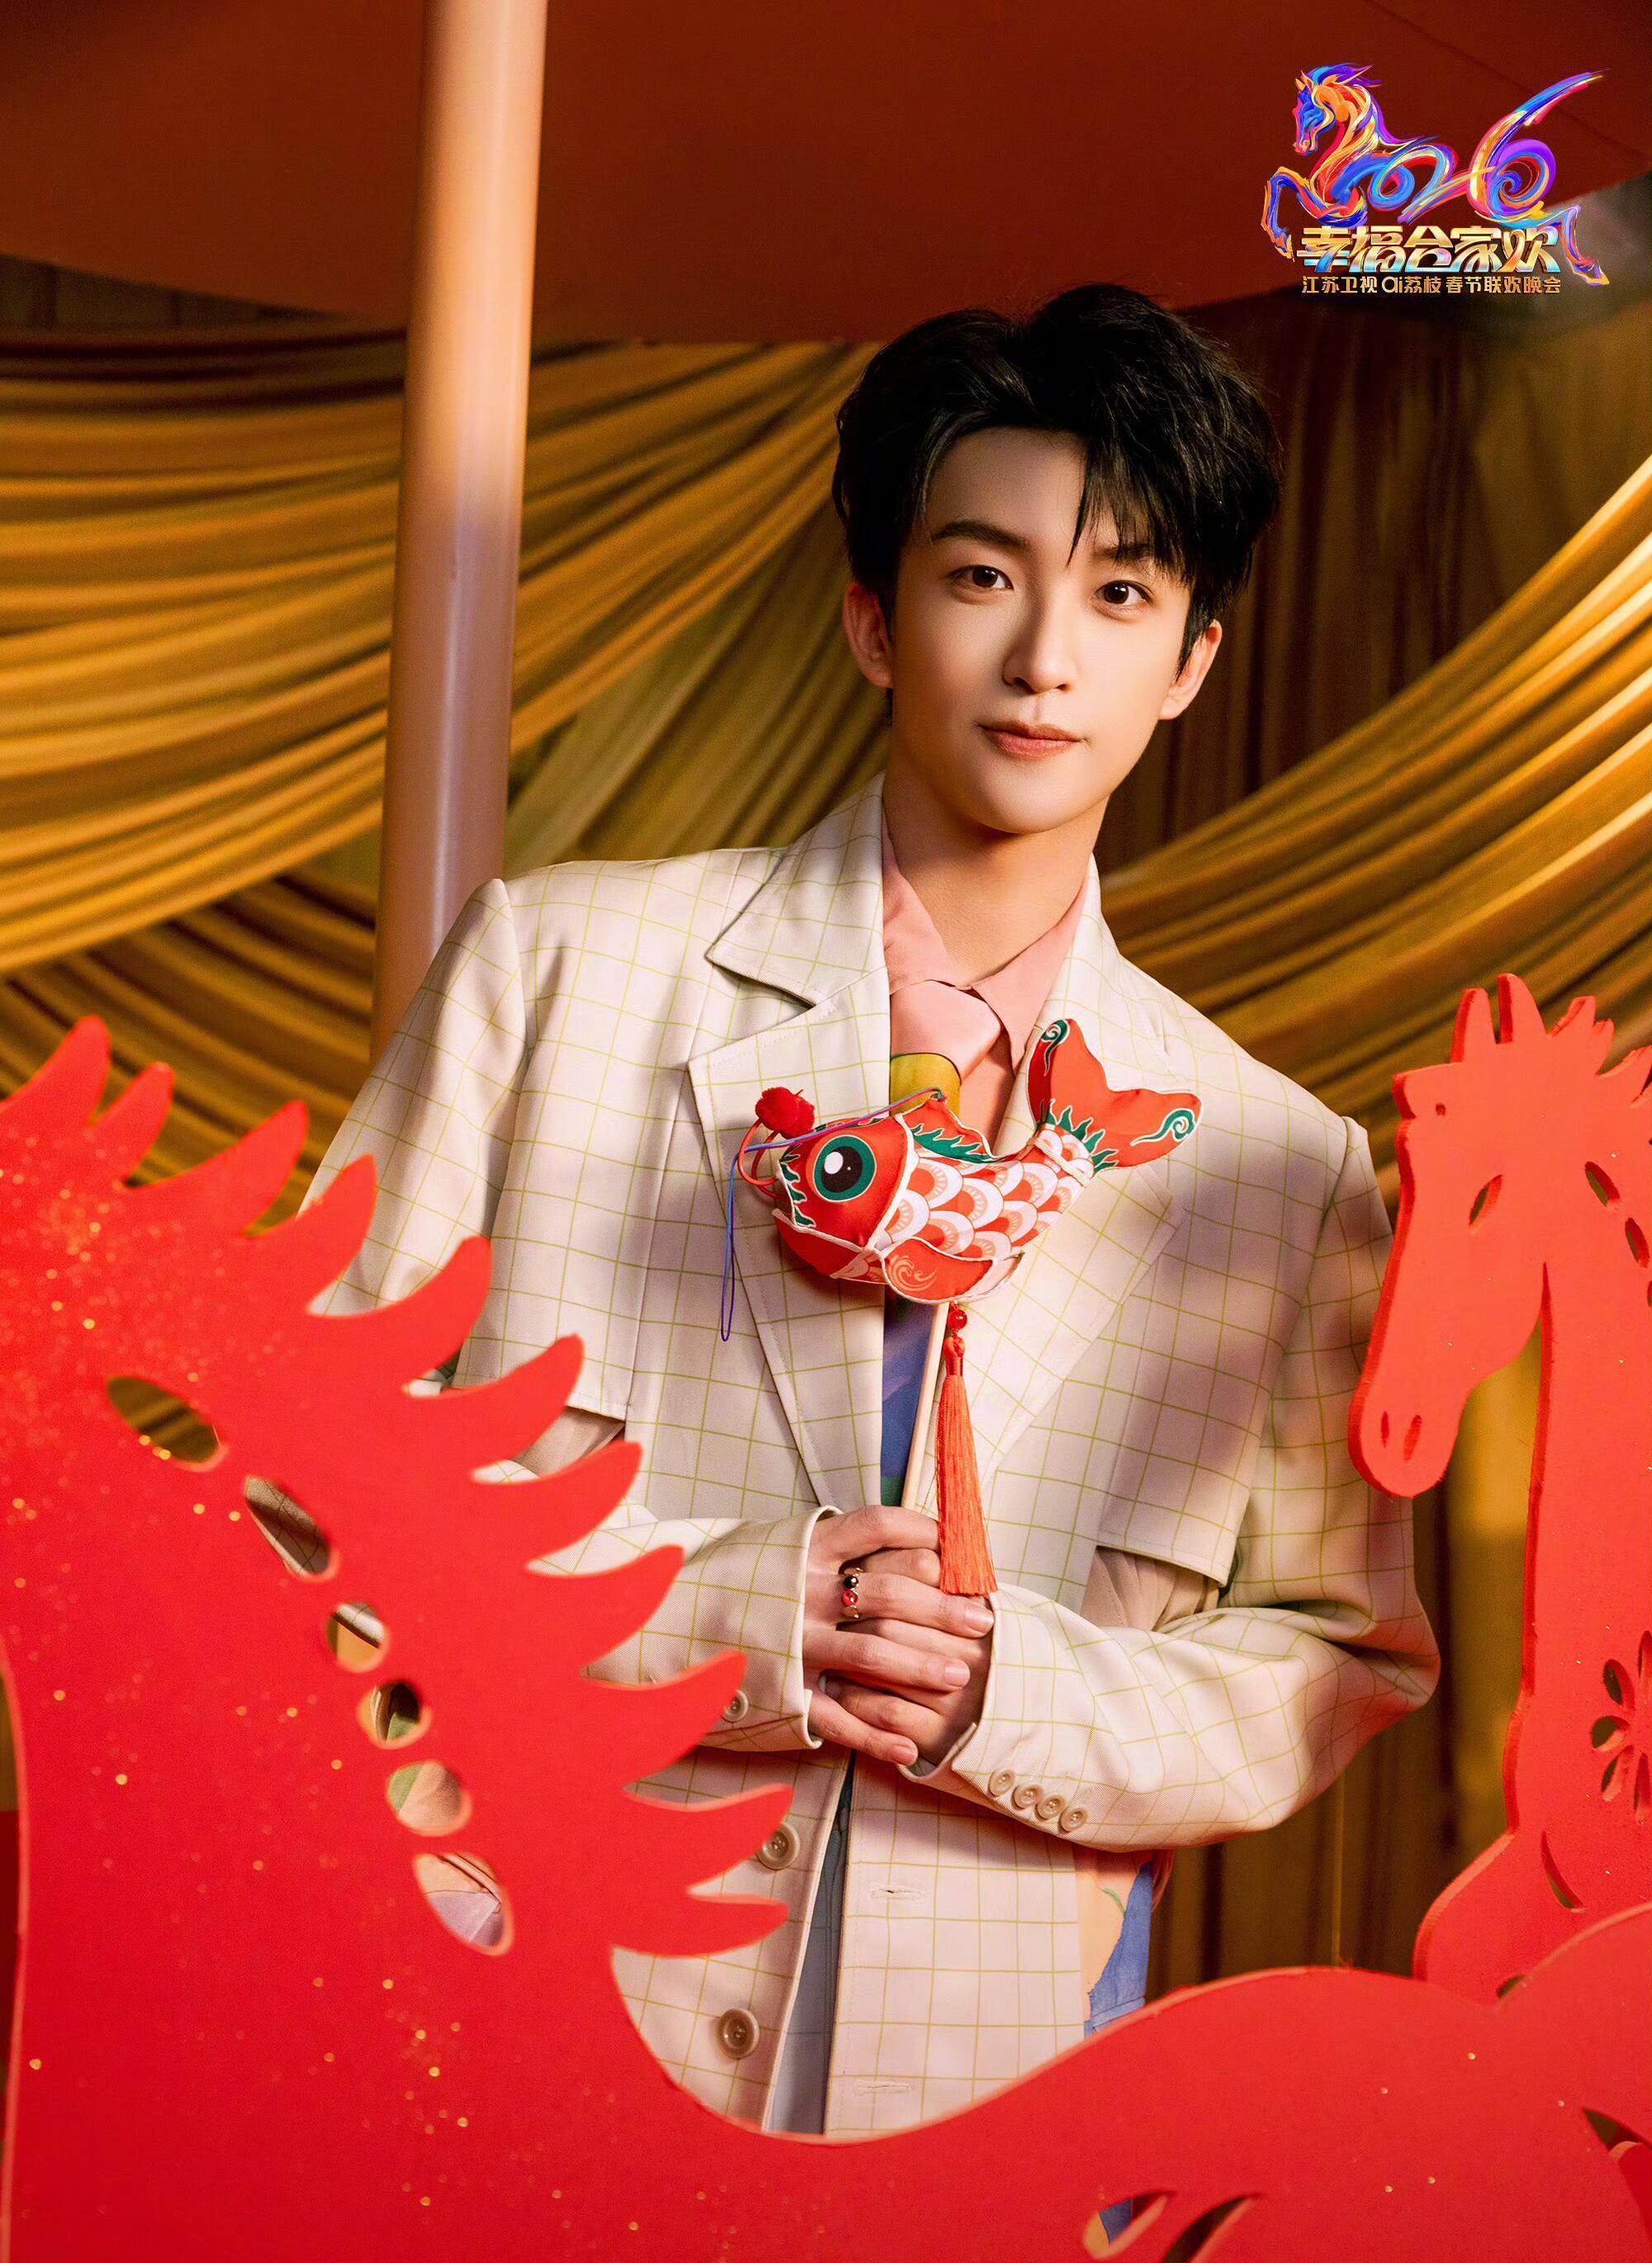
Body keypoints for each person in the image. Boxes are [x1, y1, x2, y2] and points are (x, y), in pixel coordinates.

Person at [298, 283, 1439, 2144]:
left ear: (1192, 664)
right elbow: (308, 1480)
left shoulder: (1280, 1165)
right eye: (984, 577)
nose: (1045, 658)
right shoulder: (553, 974)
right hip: (515, 2015)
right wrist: (727, 1615)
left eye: (1121, 595)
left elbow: (1337, 1654)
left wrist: (1019, 1692)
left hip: (986, 2093)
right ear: (871, 618)